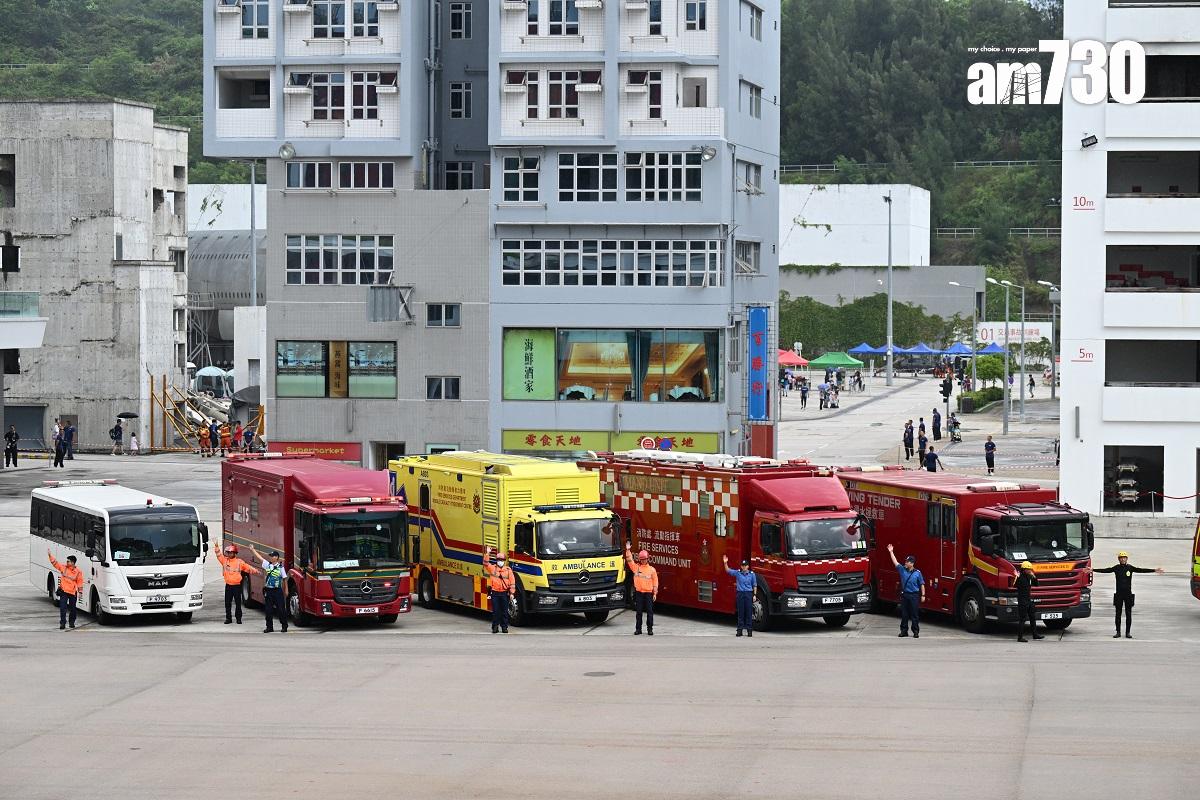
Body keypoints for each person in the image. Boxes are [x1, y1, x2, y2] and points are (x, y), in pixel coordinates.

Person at [1093, 551, 1165, 639]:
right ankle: (1118, 632)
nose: (1123, 559)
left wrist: (1154, 570)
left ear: (1127, 559)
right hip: (1119, 594)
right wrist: (1093, 570)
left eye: (1124, 557)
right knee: (1118, 614)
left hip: (1128, 594)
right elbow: (1105, 570)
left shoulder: (1130, 568)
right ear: (1119, 559)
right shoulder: (1116, 568)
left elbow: (1141, 570)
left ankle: (1128, 632)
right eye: (1121, 558)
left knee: (1128, 614)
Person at [214, 542, 260, 625]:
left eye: (231, 553)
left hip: (237, 586)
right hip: (228, 586)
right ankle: (228, 618)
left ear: (234, 553)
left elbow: (248, 567)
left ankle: (238, 619)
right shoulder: (225, 561)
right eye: (228, 552)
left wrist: (256, 571)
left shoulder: (239, 562)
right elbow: (219, 555)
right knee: (227, 603)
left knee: (238, 603)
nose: (229, 554)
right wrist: (216, 546)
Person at [886, 544, 924, 638]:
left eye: (907, 562)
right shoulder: (902, 570)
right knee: (904, 614)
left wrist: (923, 595)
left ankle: (915, 631)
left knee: (914, 614)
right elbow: (895, 562)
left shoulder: (917, 573)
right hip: (905, 595)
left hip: (914, 595)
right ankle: (904, 631)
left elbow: (922, 584)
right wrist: (891, 552)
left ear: (912, 563)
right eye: (906, 561)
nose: (905, 563)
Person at [249, 546, 289, 633]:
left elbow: (284, 579)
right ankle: (269, 627)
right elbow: (259, 558)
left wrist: (286, 590)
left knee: (281, 609)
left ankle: (284, 626)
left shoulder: (281, 567)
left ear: (276, 557)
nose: (270, 557)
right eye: (270, 556)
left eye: (272, 556)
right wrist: (252, 550)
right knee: (268, 610)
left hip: (277, 591)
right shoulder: (267, 565)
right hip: (269, 590)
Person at [625, 542, 659, 635]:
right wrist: (628, 550)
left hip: (648, 593)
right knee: (639, 612)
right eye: (642, 559)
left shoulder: (652, 570)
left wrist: (655, 593)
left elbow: (655, 582)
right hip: (639, 593)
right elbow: (630, 560)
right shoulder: (636, 568)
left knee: (650, 612)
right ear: (640, 559)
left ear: (648, 559)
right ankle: (638, 629)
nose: (643, 561)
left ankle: (650, 629)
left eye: (645, 559)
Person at [48, 550, 85, 630]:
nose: (66, 562)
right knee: (63, 608)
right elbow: (55, 563)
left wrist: (80, 592)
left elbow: (80, 582)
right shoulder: (64, 568)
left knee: (73, 609)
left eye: (68, 561)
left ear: (73, 563)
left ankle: (71, 623)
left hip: (72, 592)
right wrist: (50, 556)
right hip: (64, 591)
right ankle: (62, 623)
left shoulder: (78, 572)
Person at [483, 546, 516, 633]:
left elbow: (512, 582)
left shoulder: (508, 570)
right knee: (496, 611)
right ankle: (495, 627)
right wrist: (487, 553)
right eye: (499, 560)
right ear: (496, 560)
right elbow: (485, 563)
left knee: (504, 611)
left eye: (502, 560)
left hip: (504, 593)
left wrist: (512, 593)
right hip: (495, 593)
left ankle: (504, 627)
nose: (500, 561)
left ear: (504, 561)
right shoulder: (492, 568)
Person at [722, 554, 756, 637]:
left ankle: (749, 630)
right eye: (742, 565)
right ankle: (739, 630)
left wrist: (754, 595)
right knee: (741, 612)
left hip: (748, 594)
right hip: (740, 594)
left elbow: (754, 585)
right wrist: (725, 563)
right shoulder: (738, 573)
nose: (744, 567)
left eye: (745, 565)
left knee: (749, 612)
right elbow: (728, 570)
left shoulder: (752, 574)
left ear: (748, 566)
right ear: (741, 566)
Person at [1014, 561, 1043, 642]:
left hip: (1029, 600)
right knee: (1022, 619)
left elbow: (1037, 584)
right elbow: (1015, 584)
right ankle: (1020, 637)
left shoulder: (1029, 577)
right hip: (1022, 601)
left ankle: (1035, 635)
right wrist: (1017, 576)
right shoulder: (1019, 577)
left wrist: (1034, 576)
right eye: (1028, 569)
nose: (1030, 570)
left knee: (1032, 617)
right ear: (1024, 569)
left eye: (1030, 569)